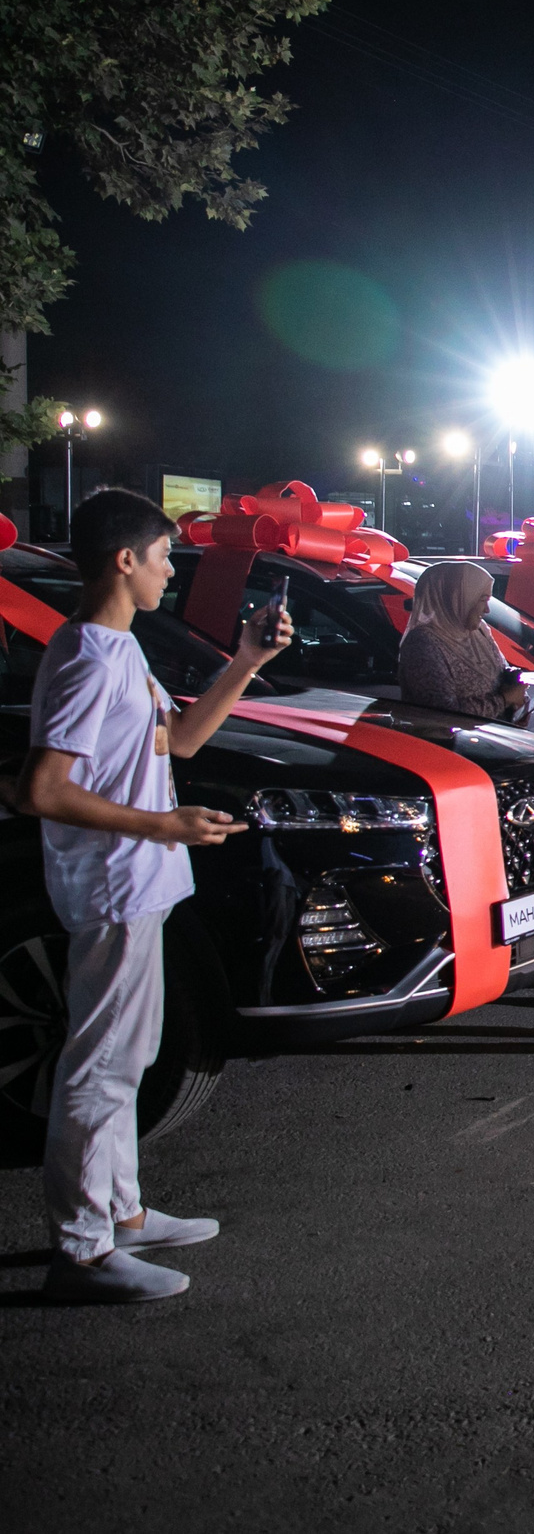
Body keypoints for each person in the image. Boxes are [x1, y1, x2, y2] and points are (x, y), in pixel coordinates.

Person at [18, 488, 294, 1303]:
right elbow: (43, 787)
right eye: (164, 555)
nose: (171, 572)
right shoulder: (87, 656)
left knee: (127, 1057)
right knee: (101, 1064)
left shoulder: (117, 647)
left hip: (137, 882)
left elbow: (177, 740)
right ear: (124, 559)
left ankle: (123, 1212)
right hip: (111, 885)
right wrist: (161, 824)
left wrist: (245, 659)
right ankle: (81, 1251)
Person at [397, 561, 528, 721]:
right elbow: (442, 713)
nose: (487, 610)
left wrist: (516, 701)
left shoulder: (479, 632)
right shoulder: (422, 644)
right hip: (448, 743)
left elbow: (500, 672)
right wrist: (504, 700)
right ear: (457, 598)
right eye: (482, 600)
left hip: (490, 740)